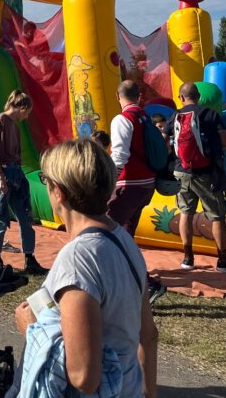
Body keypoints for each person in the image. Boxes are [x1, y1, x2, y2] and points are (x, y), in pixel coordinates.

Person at [13, 138, 158, 398]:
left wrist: (33, 329)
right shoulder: (124, 240)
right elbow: (148, 336)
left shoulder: (78, 259)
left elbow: (84, 377)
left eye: (46, 181)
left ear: (59, 192)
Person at [166, 82, 226, 274]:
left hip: (181, 171)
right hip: (205, 172)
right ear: (198, 96)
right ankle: (223, 259)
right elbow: (225, 143)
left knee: (185, 212)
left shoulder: (175, 115)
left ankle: (188, 257)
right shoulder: (210, 114)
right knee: (217, 215)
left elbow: (165, 141)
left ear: (181, 97)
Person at [105, 81, 167, 303]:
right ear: (139, 96)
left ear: (117, 96)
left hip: (128, 184)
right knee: (125, 235)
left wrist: (109, 183)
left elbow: (119, 154)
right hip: (146, 184)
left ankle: (146, 283)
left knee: (106, 233)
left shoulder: (123, 119)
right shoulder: (144, 117)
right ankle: (132, 282)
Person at [0, 90, 48, 275]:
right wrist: (0, 177)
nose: (26, 117)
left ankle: (29, 258)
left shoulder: (15, 126)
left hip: (15, 172)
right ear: (22, 107)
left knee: (26, 216)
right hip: (1, 172)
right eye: (27, 112)